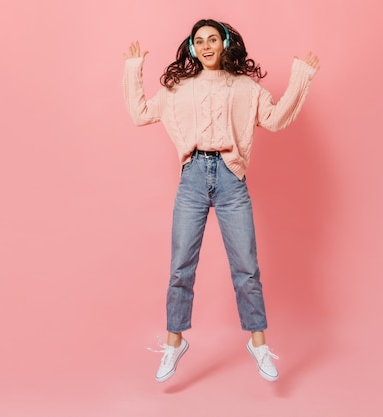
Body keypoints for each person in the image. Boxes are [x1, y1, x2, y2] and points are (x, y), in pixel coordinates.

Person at [122, 18, 319, 383]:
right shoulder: (180, 89)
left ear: (226, 43)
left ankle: (258, 345)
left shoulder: (245, 88)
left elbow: (274, 120)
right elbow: (140, 114)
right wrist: (134, 70)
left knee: (246, 268)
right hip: (193, 178)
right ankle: (174, 344)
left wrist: (300, 79)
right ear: (193, 48)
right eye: (200, 41)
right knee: (181, 267)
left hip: (232, 179)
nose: (207, 45)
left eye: (213, 38)